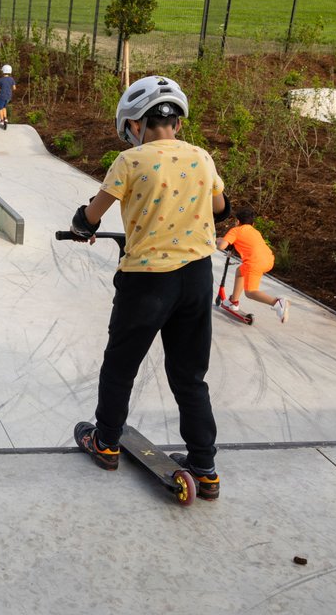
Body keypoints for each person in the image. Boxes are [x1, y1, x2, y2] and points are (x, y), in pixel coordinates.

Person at [67, 75, 229, 502]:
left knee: (121, 365)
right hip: (196, 278)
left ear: (136, 125)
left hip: (146, 282)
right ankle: (206, 467)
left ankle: (105, 442)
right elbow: (221, 207)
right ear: (176, 120)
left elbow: (93, 215)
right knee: (190, 376)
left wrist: (81, 225)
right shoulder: (203, 157)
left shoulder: (130, 161)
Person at [217, 207, 289, 323]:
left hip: (254, 263)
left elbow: (222, 246)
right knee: (240, 271)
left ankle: (277, 302)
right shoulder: (255, 232)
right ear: (253, 223)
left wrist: (218, 240)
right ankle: (233, 302)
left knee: (250, 292)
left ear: (237, 222)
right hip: (269, 260)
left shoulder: (236, 230)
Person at [0, 64, 16, 129]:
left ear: (3, 71)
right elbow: (14, 88)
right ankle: (5, 118)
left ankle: (1, 120)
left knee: (0, 108)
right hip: (9, 96)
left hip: (2, 96)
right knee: (4, 107)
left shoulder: (0, 80)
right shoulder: (12, 79)